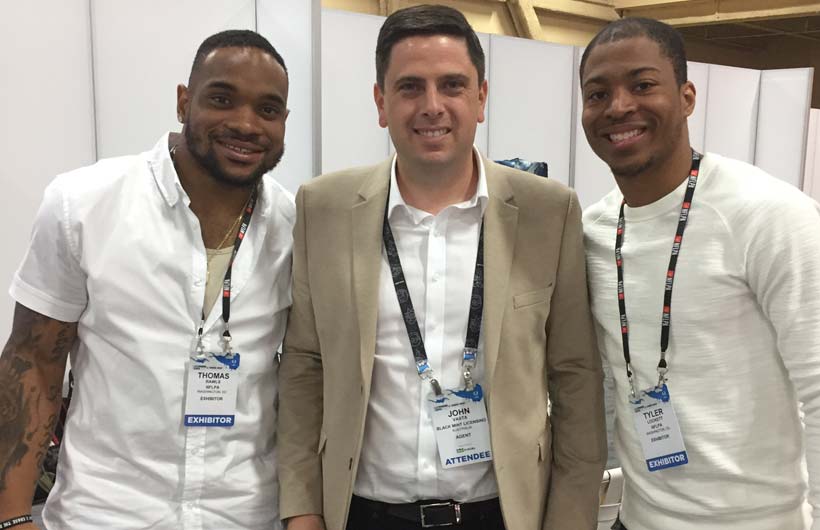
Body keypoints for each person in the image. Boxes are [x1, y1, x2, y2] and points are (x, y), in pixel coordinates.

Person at [278, 5, 606, 530]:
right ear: (381, 102)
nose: (432, 106)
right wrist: (301, 510)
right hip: (360, 513)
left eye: (452, 85)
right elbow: (303, 366)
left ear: (481, 98)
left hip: (502, 514)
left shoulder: (549, 211)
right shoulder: (324, 208)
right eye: (410, 87)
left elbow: (575, 377)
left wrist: (569, 520)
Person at [0, 30, 295, 529]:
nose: (245, 124)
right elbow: (33, 362)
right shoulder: (84, 204)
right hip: (106, 514)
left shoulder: (295, 225)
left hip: (246, 515)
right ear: (184, 101)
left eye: (267, 110)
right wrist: (10, 516)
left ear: (284, 122)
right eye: (222, 99)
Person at [579, 17, 820, 530]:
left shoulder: (768, 214)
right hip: (636, 519)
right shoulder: (596, 229)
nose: (618, 107)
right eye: (598, 94)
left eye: (642, 85)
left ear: (686, 96)